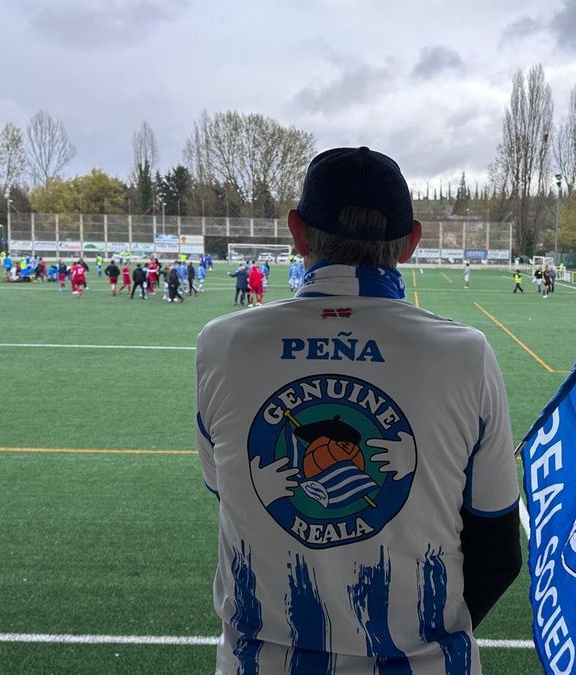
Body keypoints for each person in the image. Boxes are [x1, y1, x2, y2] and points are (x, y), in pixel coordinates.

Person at [194, 147, 521, 673]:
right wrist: (417, 638)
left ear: (297, 232)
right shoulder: (465, 354)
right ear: (411, 242)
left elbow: (230, 491)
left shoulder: (223, 344)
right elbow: (498, 548)